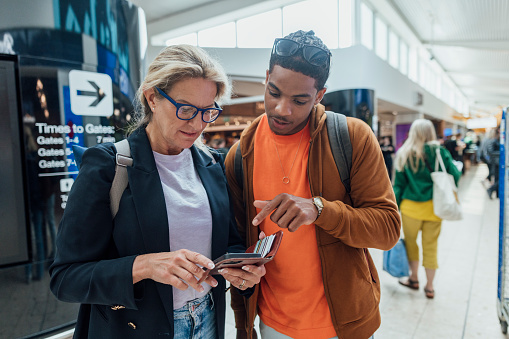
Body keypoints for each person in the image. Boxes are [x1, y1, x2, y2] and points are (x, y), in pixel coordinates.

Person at [49, 45, 266, 339]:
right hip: (136, 329)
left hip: (206, 320)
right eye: (186, 109)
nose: (197, 124)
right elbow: (65, 278)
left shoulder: (214, 165)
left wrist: (243, 270)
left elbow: (228, 244)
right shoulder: (108, 166)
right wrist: (144, 265)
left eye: (208, 111)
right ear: (152, 98)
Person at [224, 30, 401, 339]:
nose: (282, 109)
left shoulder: (351, 137)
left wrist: (319, 209)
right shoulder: (240, 155)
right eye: (274, 92)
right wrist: (243, 320)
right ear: (266, 77)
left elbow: (387, 229)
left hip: (343, 324)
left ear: (320, 96)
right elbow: (237, 242)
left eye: (299, 100)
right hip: (272, 323)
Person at [393, 119, 461, 299]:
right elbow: (455, 174)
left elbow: (398, 185)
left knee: (411, 244)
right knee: (431, 247)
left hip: (410, 208)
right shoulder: (440, 151)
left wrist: (394, 208)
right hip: (435, 207)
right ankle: (430, 287)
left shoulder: (404, 153)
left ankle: (413, 279)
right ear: (431, 132)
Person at [486, 127, 500, 199]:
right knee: (500, 179)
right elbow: (490, 152)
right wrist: (502, 153)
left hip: (498, 163)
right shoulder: (493, 141)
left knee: (498, 179)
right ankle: (491, 189)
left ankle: (498, 194)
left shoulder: (498, 141)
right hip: (496, 163)